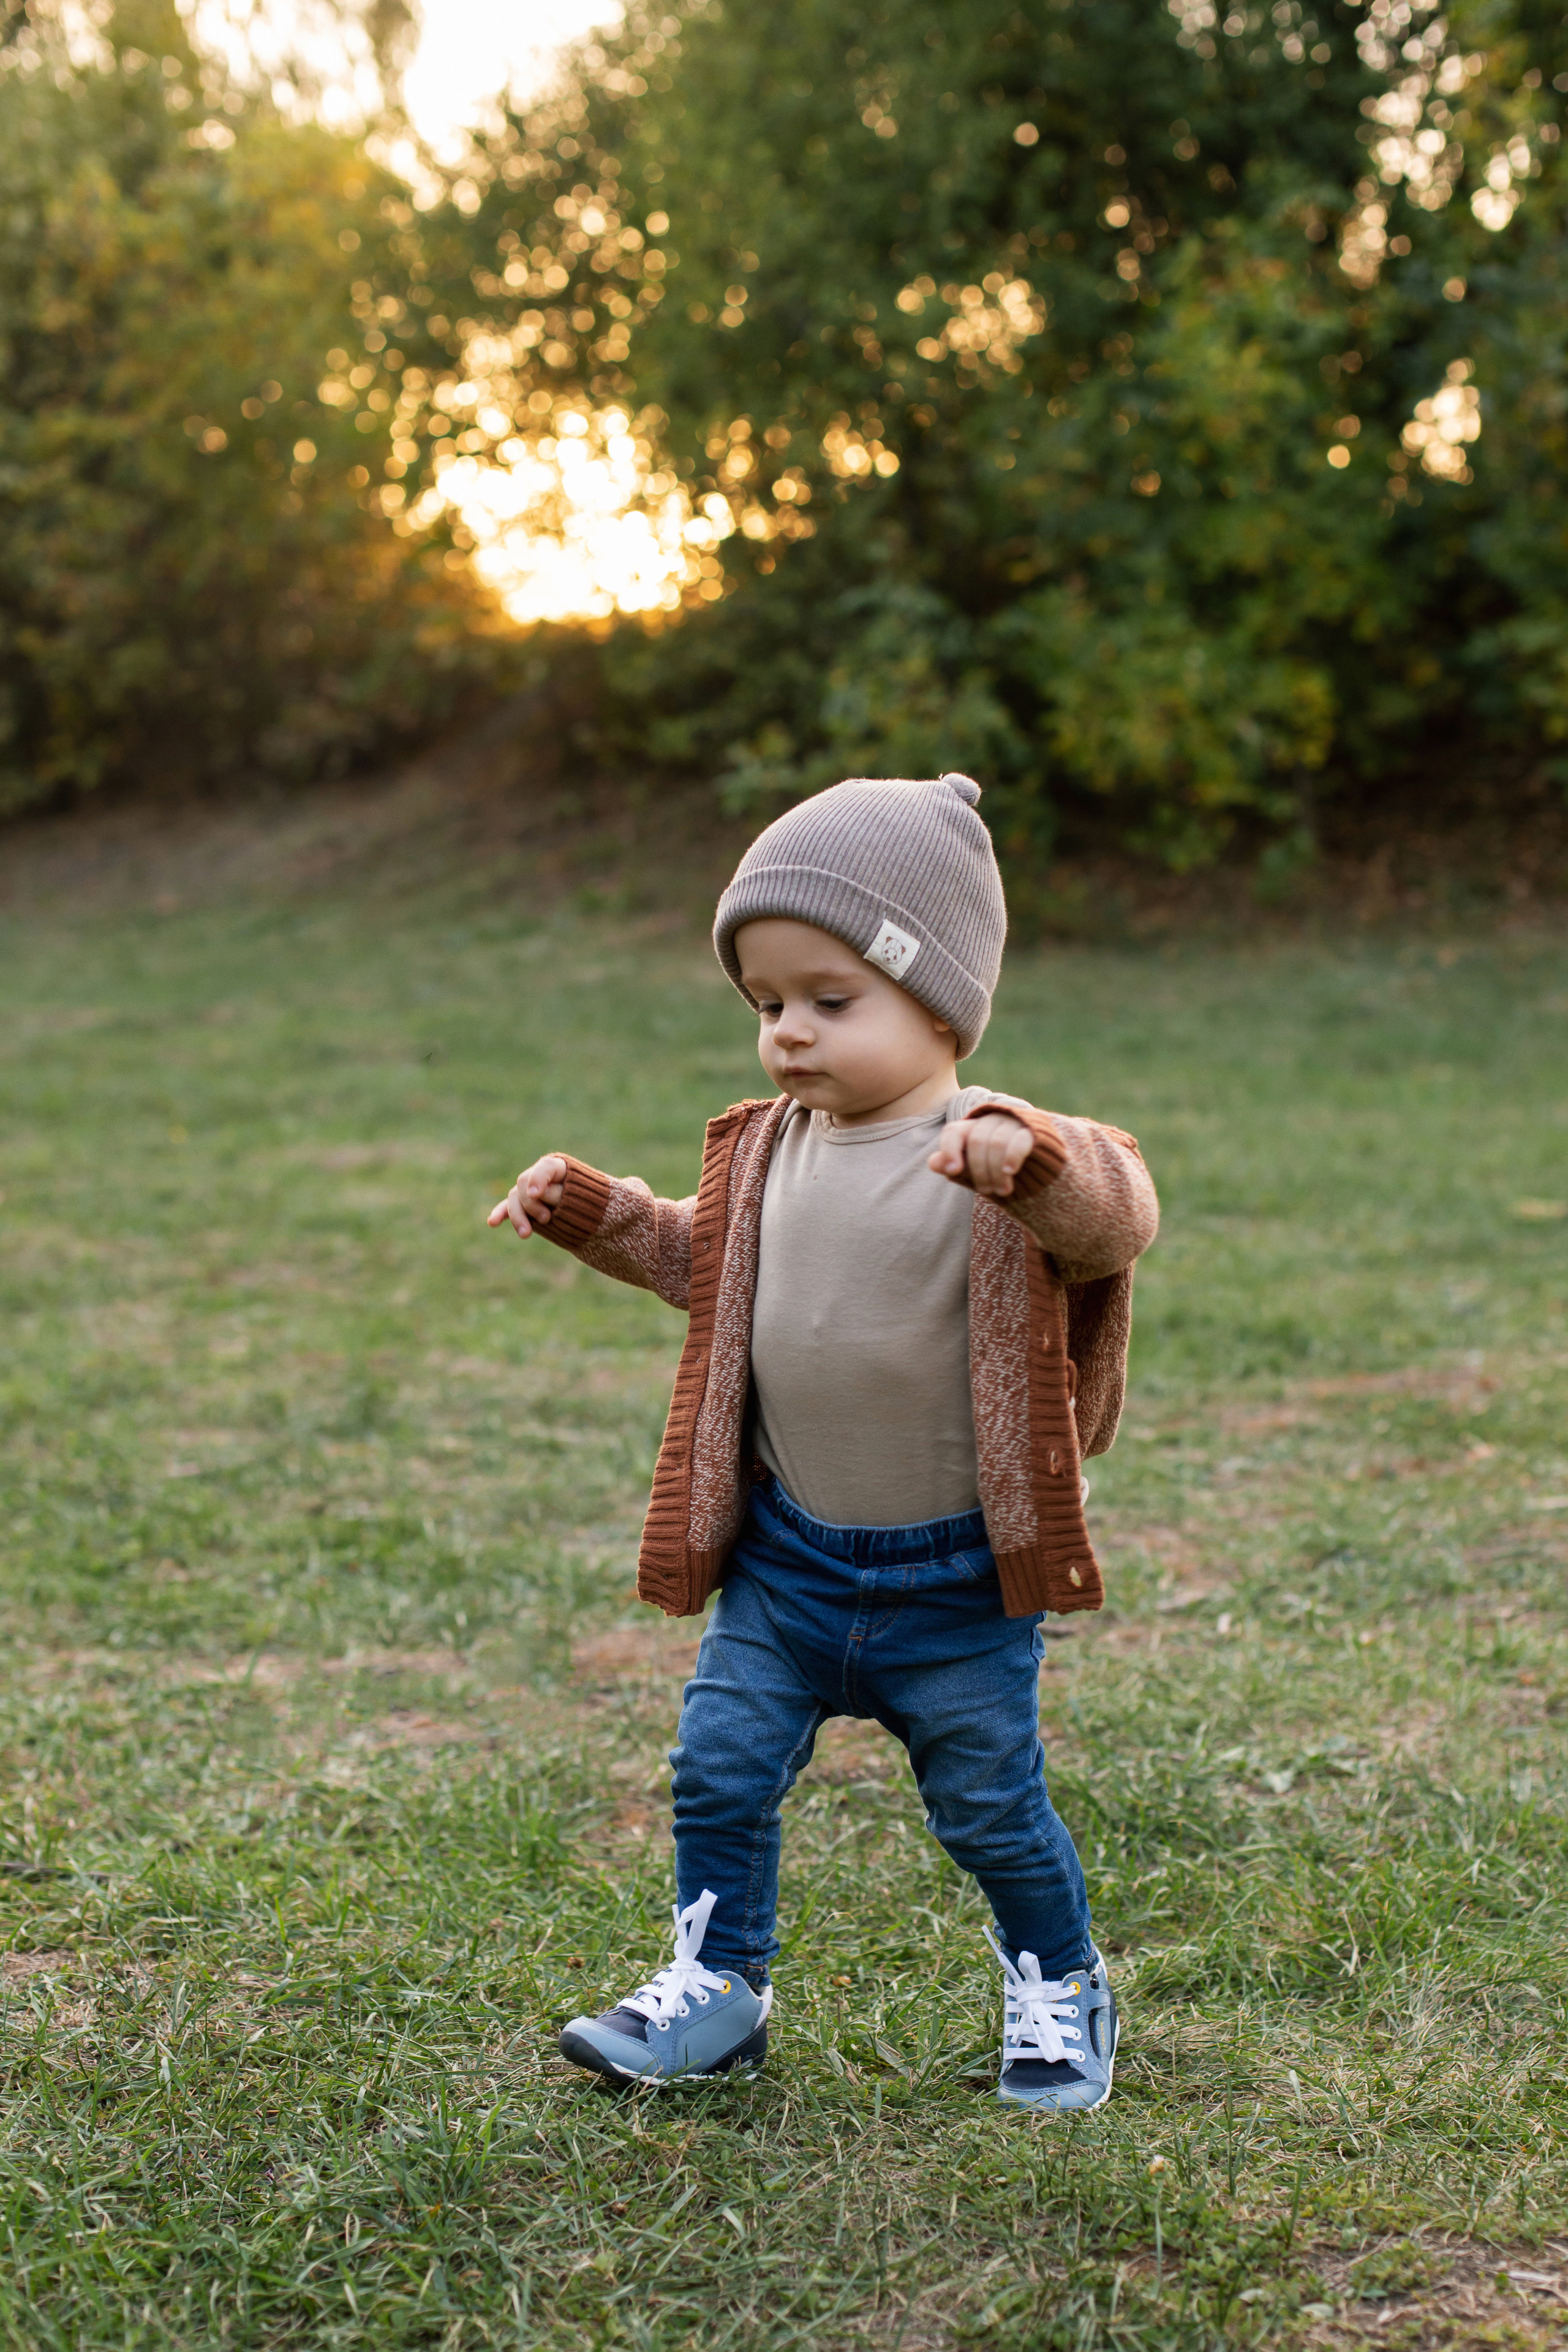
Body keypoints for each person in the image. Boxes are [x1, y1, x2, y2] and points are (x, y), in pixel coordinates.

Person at [488, 773, 1158, 2111]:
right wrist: (585, 1209)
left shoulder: (995, 1150)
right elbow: (702, 1259)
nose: (788, 1033)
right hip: (789, 1567)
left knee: (987, 1810)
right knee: (717, 1772)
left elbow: (1113, 1213)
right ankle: (720, 1987)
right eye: (766, 1005)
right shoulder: (768, 1151)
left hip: (957, 1582)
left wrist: (1021, 1158)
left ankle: (1058, 1985)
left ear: (939, 1003)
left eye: (827, 1000)